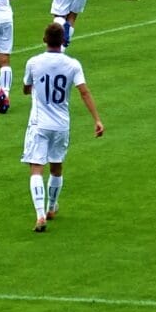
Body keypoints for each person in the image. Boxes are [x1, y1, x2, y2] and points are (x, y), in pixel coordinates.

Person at [21, 22, 104, 232]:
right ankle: (51, 207)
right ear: (63, 41)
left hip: (39, 123)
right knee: (56, 167)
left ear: (44, 40)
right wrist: (97, 119)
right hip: (61, 124)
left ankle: (40, 216)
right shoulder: (73, 65)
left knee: (36, 168)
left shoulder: (33, 62)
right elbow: (84, 92)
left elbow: (25, 88)